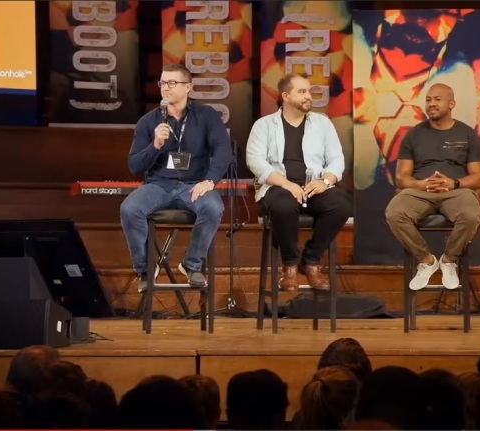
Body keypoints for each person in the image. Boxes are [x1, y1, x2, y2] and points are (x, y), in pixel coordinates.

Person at [121, 64, 231, 290]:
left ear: (188, 87)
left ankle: (191, 264)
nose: (166, 87)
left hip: (194, 184)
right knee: (129, 209)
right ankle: (145, 269)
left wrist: (210, 181)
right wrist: (155, 145)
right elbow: (134, 165)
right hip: (159, 185)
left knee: (213, 208)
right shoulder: (148, 121)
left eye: (172, 83)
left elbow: (223, 150)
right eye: (163, 83)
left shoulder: (207, 116)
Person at [247, 72, 351, 290]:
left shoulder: (322, 123)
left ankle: (311, 260)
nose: (308, 96)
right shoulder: (264, 125)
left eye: (309, 91)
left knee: (341, 204)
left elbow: (336, 158)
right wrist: (286, 184)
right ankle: (290, 265)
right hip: (278, 187)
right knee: (283, 205)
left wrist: (325, 182)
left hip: (314, 187)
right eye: (302, 92)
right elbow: (254, 160)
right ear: (285, 96)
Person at [384, 83, 480, 291]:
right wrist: (421, 184)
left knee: (471, 215)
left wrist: (453, 183)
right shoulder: (413, 134)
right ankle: (426, 260)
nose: (431, 104)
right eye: (428, 100)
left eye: (437, 99)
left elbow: (479, 178)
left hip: (456, 191)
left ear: (452, 104)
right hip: (420, 191)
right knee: (395, 212)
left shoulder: (467, 134)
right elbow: (401, 178)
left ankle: (449, 260)